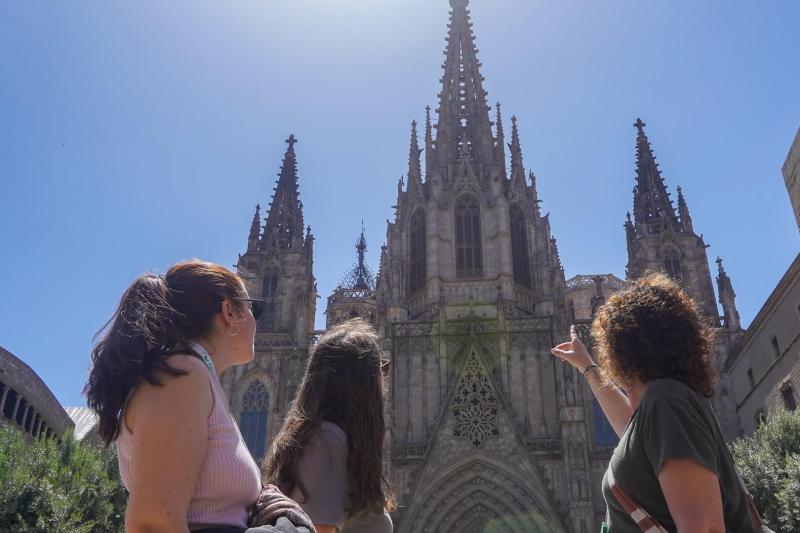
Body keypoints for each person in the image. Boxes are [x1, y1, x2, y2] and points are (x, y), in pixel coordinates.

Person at [84, 260, 312, 533]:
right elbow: (152, 523)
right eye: (255, 308)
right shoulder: (182, 374)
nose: (257, 319)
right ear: (229, 312)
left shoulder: (196, 376)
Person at [551, 273, 761, 533]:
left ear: (621, 347)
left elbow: (705, 527)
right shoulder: (660, 406)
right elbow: (630, 428)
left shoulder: (667, 401)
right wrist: (587, 367)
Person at [264, 319, 396, 533]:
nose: (384, 377)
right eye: (380, 368)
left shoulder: (338, 441)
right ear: (360, 382)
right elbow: (318, 528)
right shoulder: (326, 440)